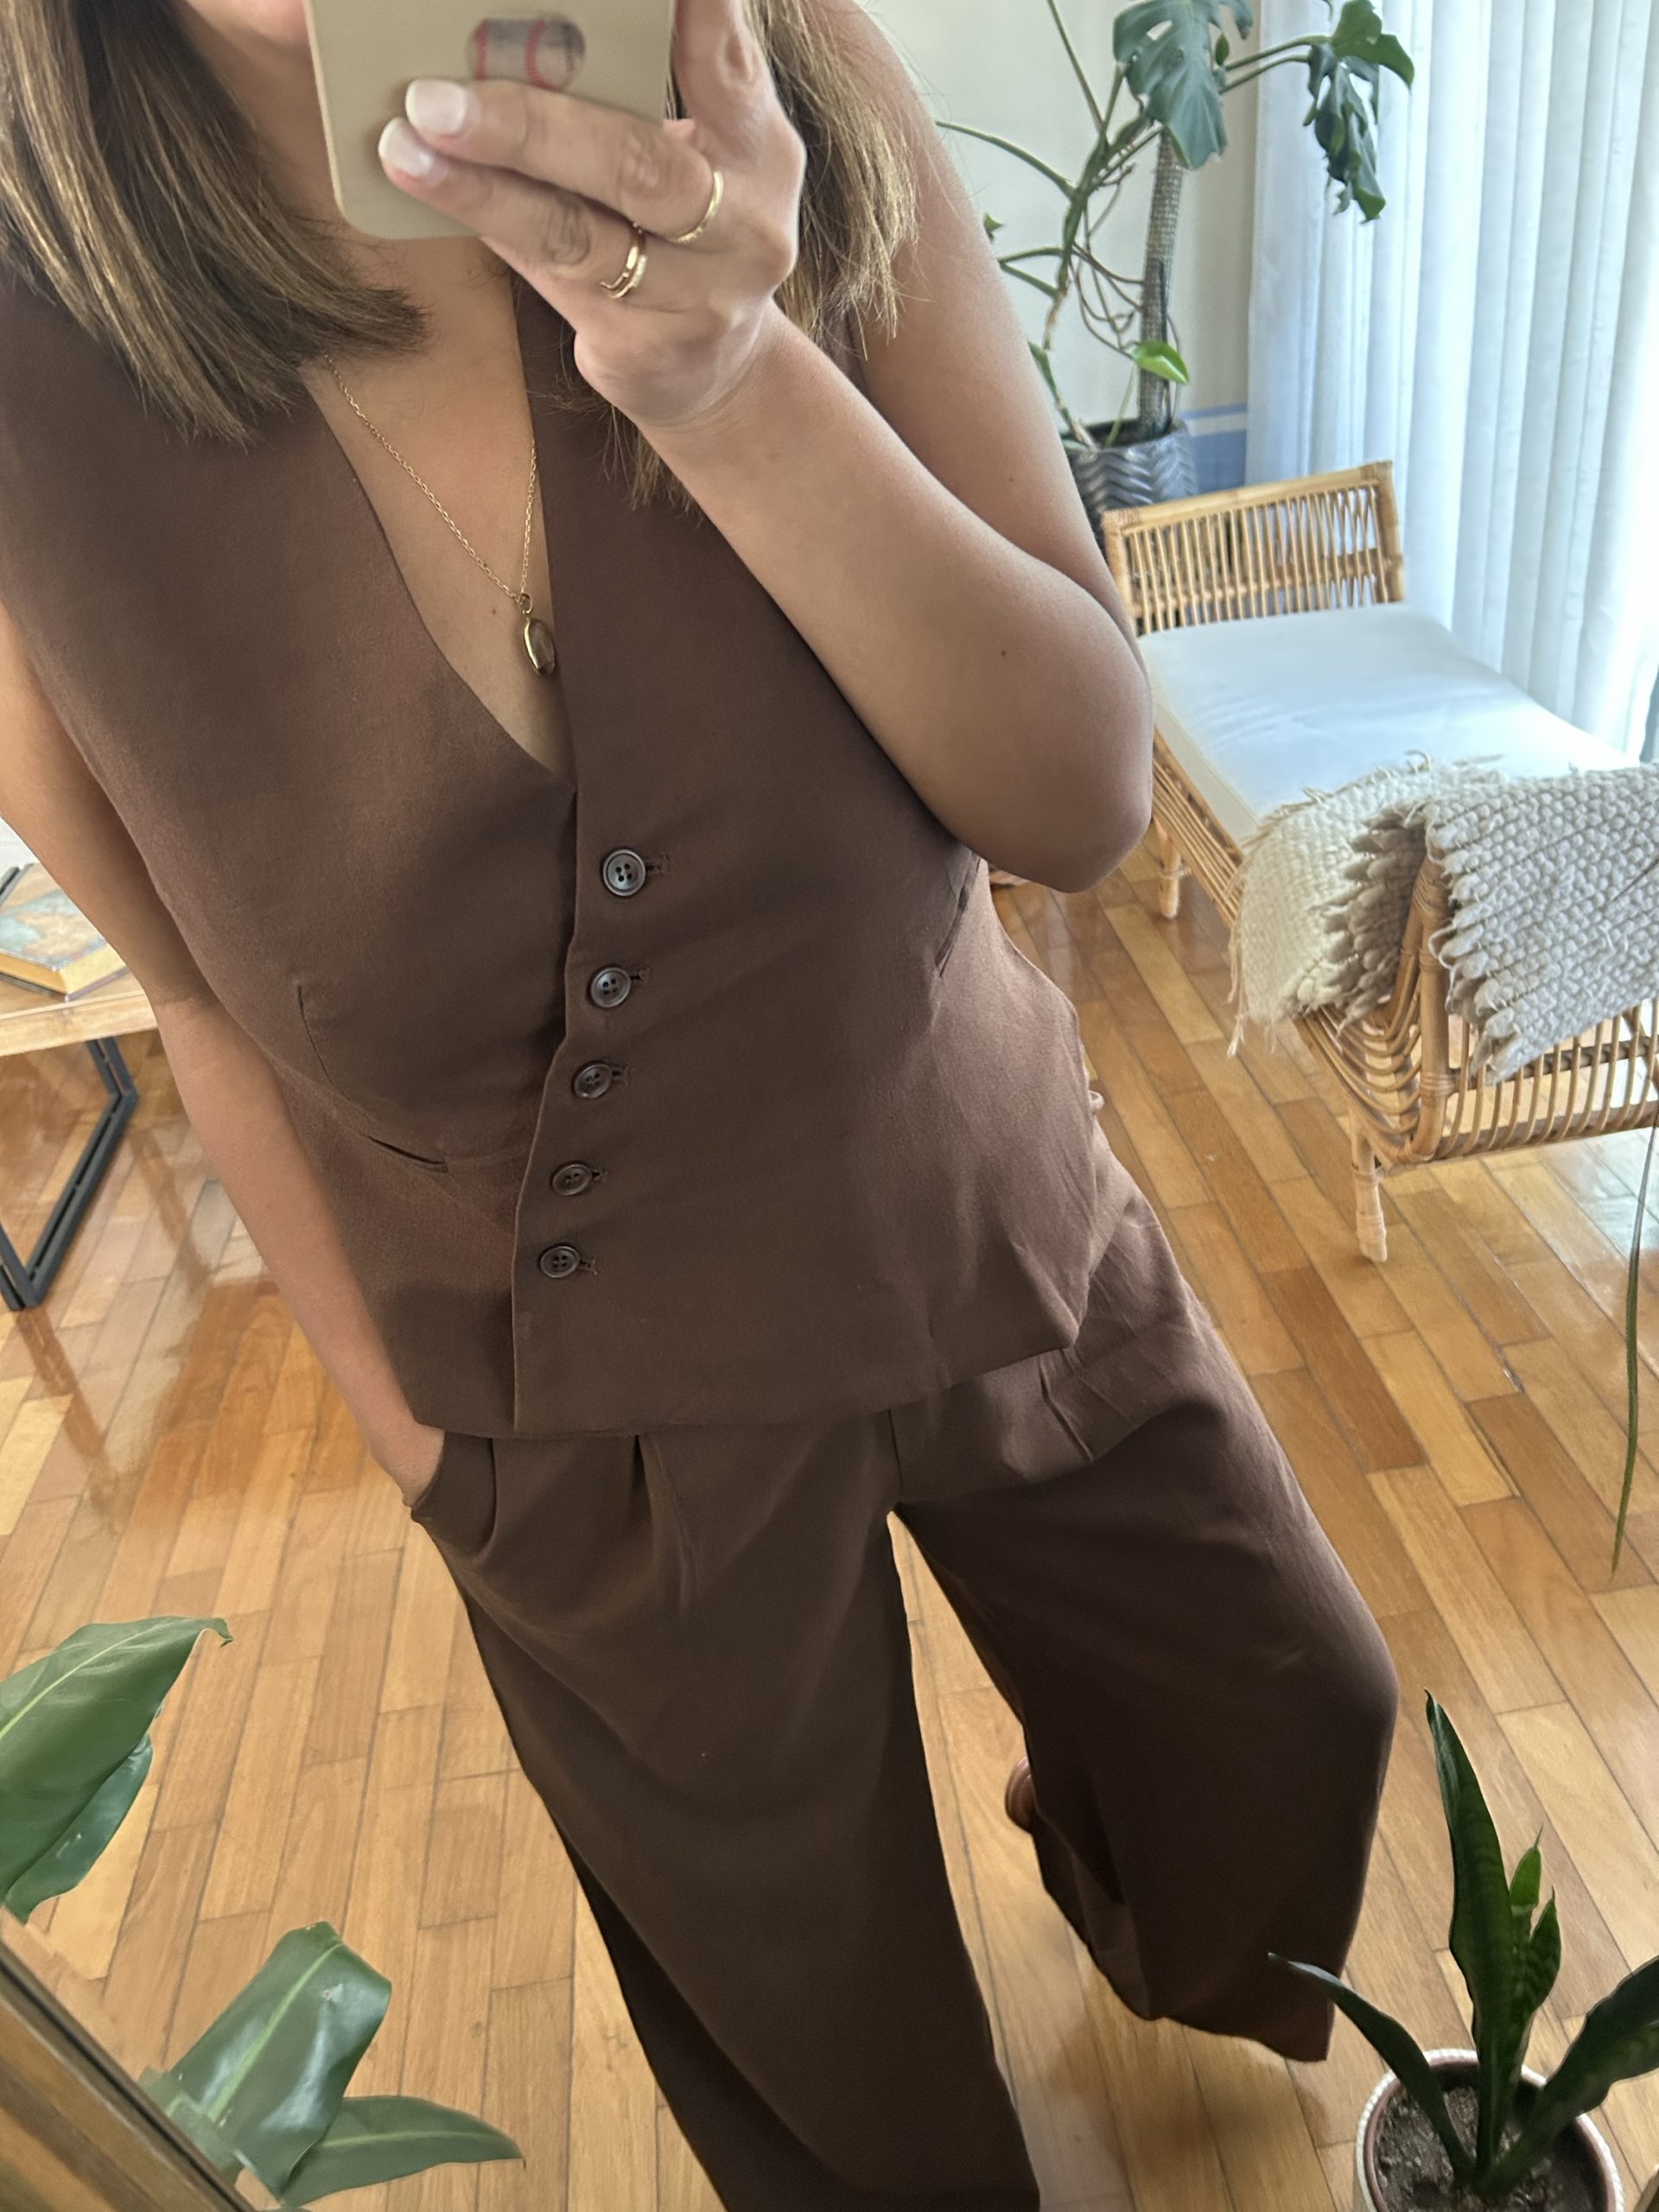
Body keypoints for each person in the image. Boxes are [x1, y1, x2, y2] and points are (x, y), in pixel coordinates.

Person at [0, 2, 1399, 2205]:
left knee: (1292, 1716)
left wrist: (735, 376)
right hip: (571, 1413)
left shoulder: (769, 76)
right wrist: (427, 1448)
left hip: (970, 1196)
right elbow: (190, 988)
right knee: (849, 2092)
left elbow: (1080, 790)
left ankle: (1139, 1925)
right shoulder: (28, 357)